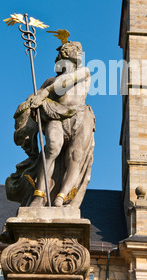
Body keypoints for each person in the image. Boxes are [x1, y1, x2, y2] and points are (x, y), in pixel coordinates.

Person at [6, 41, 95, 208]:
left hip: (80, 116)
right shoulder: (50, 81)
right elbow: (34, 100)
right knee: (52, 147)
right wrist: (27, 106)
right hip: (55, 114)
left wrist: (45, 92)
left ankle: (61, 197)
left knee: (74, 158)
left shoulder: (84, 72)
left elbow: (67, 82)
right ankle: (39, 195)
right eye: (64, 55)